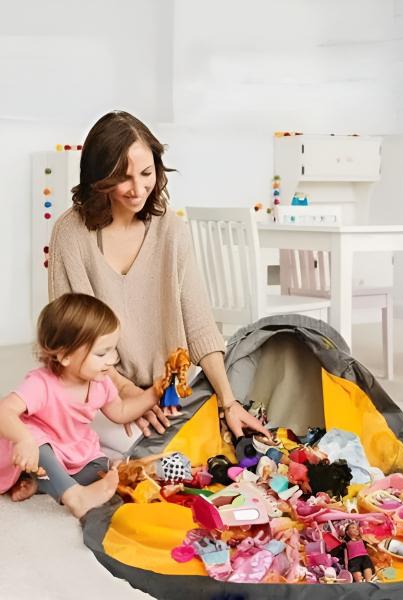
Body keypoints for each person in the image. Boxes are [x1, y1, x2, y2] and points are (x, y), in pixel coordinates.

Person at [48, 110, 268, 444]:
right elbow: (72, 338)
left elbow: (199, 325)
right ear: (99, 178)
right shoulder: (70, 234)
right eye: (123, 178)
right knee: (140, 451)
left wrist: (229, 401)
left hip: (168, 392)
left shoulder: (172, 231)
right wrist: (127, 393)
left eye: (146, 173)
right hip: (98, 389)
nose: (138, 189)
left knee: (217, 444)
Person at [0, 293, 161, 518]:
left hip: (73, 448)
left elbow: (121, 412)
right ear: (65, 355)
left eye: (113, 349)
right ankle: (74, 497)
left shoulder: (100, 382)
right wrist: (23, 439)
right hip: (36, 449)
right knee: (39, 443)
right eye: (102, 353)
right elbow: (4, 411)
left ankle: (43, 483)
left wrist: (154, 393)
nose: (112, 360)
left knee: (102, 468)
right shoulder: (41, 383)